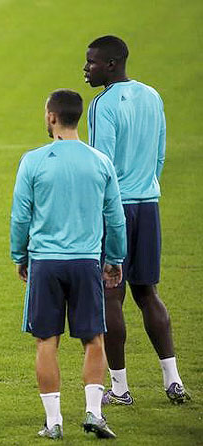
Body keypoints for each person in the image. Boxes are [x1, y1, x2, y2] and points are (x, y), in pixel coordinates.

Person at [11, 89, 126, 439]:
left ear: (51, 117)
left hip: (45, 262)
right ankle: (94, 413)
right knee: (94, 340)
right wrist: (114, 258)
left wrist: (20, 255)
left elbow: (20, 216)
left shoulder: (33, 160)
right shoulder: (100, 161)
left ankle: (54, 421)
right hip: (86, 262)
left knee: (47, 341)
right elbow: (116, 217)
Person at [84, 35, 190, 405]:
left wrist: (98, 212)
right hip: (148, 204)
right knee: (148, 293)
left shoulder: (102, 105)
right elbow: (160, 153)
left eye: (92, 62)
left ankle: (120, 388)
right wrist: (147, 185)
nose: (86, 68)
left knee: (110, 293)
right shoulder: (152, 96)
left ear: (111, 64)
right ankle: (173, 380)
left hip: (117, 208)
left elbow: (102, 166)